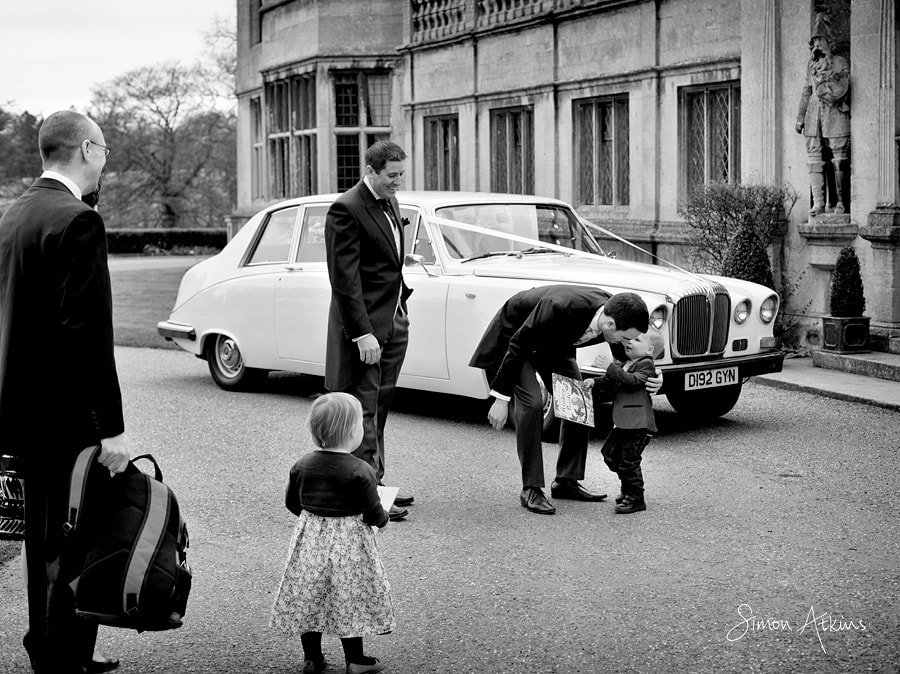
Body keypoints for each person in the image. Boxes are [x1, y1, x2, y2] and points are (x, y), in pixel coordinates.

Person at [0, 111, 130, 673]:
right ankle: (60, 658)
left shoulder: (15, 213)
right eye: (103, 148)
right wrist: (109, 428)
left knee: (41, 540)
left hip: (19, 409)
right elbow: (86, 336)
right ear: (86, 148)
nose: (107, 158)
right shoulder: (77, 220)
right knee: (70, 541)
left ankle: (52, 646)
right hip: (64, 416)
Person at [469, 285, 661, 515]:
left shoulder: (617, 311)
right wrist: (500, 398)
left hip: (553, 345)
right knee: (532, 403)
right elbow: (518, 344)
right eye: (625, 338)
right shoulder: (560, 306)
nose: (626, 343)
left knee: (578, 398)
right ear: (610, 325)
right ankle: (531, 489)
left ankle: (566, 481)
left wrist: (654, 377)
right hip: (515, 341)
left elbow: (629, 361)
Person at [270, 392, 394, 674]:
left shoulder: (301, 465)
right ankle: (356, 661)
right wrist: (383, 519)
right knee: (348, 597)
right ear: (352, 433)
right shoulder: (361, 470)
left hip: (310, 540)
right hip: (348, 543)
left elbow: (293, 504)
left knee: (310, 597)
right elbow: (374, 511)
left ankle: (312, 658)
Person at [325, 140, 413, 522]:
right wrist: (362, 333)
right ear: (372, 171)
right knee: (362, 408)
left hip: (394, 319)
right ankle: (368, 497)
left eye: (401, 175)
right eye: (392, 176)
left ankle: (376, 480)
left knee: (381, 406)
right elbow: (344, 280)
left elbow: (385, 264)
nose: (398, 182)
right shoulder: (346, 208)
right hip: (366, 329)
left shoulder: (390, 202)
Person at [584, 328, 664, 514]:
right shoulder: (628, 363)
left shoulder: (646, 365)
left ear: (650, 350)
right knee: (610, 454)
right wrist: (595, 382)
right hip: (623, 421)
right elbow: (613, 380)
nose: (630, 342)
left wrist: (610, 367)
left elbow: (632, 381)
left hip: (638, 423)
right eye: (629, 339)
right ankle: (628, 488)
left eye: (637, 340)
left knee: (629, 461)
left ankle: (636, 497)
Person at [795, 12, 850, 216]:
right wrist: (800, 117)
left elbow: (842, 86)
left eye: (821, 40)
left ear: (829, 42)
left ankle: (841, 202)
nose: (817, 45)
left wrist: (825, 86)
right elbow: (806, 91)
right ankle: (818, 202)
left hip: (835, 113)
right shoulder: (811, 65)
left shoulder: (839, 62)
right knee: (814, 156)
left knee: (839, 156)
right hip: (813, 114)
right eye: (815, 41)